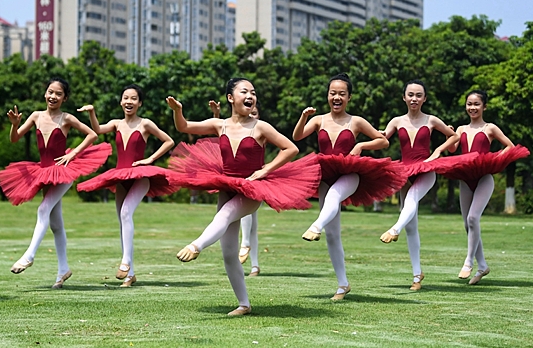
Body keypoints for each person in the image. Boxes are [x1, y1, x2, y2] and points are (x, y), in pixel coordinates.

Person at [166, 78, 321, 315]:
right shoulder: (220, 125)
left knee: (227, 213)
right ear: (231, 98)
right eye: (244, 91)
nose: (250, 96)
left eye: (253, 92)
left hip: (252, 188)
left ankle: (197, 245)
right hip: (227, 184)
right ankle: (244, 304)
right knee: (229, 252)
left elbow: (291, 148)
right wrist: (178, 111)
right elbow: (184, 127)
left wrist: (265, 170)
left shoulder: (261, 126)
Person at [292, 73, 406, 300]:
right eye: (333, 93)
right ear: (327, 96)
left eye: (341, 94)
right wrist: (304, 117)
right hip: (326, 175)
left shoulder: (356, 121)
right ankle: (343, 285)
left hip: (351, 174)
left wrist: (362, 145)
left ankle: (315, 227)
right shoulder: (320, 120)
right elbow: (297, 136)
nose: (336, 97)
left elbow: (383, 140)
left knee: (335, 196)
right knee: (333, 235)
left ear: (349, 97)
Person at [0, 77, 111, 288]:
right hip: (43, 171)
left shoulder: (66, 118)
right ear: (45, 93)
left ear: (64, 98)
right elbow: (14, 139)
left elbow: (93, 134)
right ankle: (63, 269)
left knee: (43, 209)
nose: (53, 96)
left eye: (58, 94)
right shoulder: (36, 116)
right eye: (50, 92)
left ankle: (29, 256)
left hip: (64, 170)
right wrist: (15, 126)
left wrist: (74, 153)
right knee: (56, 224)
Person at [378, 79, 474, 291]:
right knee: (411, 225)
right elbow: (384, 139)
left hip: (427, 170)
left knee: (411, 200)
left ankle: (394, 229)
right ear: (404, 97)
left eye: (418, 95)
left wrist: (437, 152)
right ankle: (416, 275)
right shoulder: (396, 121)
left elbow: (454, 136)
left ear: (424, 99)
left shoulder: (431, 120)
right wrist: (369, 138)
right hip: (405, 171)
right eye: (410, 95)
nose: (414, 99)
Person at [77, 84, 177, 287]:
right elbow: (97, 130)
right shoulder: (116, 123)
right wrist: (92, 112)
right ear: (121, 101)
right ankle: (130, 274)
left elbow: (168, 141)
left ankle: (125, 263)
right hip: (121, 176)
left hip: (140, 177)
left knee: (125, 214)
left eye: (133, 98)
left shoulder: (146, 124)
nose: (128, 102)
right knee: (122, 221)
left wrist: (149, 159)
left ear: (140, 103)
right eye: (125, 98)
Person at [442, 90, 529, 285]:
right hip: (465, 179)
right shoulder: (461, 129)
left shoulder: (490, 128)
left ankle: (468, 262)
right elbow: (453, 149)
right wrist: (449, 133)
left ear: (484, 107)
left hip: (483, 178)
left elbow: (510, 146)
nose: (472, 107)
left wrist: (493, 159)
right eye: (469, 104)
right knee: (467, 224)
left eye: (476, 104)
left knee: (474, 218)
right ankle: (483, 266)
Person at [210, 99, 261, 276]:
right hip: (233, 180)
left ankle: (252, 260)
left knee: (252, 223)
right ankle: (250, 256)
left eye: (255, 113)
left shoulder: (260, 129)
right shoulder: (230, 125)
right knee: (248, 220)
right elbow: (221, 139)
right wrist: (216, 115)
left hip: (254, 182)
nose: (251, 115)